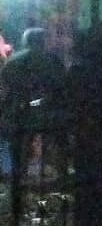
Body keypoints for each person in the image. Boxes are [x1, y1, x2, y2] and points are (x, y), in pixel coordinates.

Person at [0, 26, 69, 181]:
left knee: (20, 143)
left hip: (20, 112)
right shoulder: (52, 60)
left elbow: (5, 88)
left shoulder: (13, 62)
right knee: (60, 139)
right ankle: (63, 172)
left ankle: (19, 174)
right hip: (49, 111)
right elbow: (62, 86)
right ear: (43, 41)